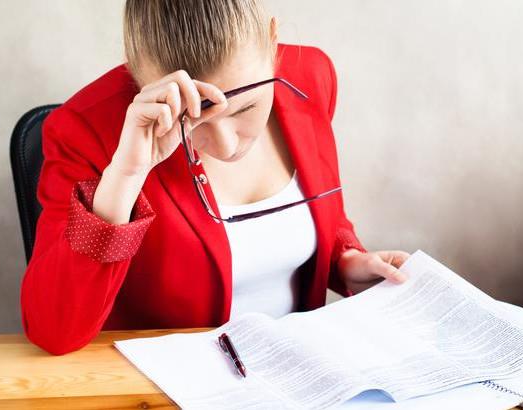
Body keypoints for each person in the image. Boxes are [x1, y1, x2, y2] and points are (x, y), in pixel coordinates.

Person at [20, 0, 410, 356]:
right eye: (192, 117)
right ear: (135, 74)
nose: (225, 145)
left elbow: (315, 216)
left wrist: (346, 259)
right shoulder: (84, 131)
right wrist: (126, 174)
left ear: (273, 40)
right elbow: (54, 332)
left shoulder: (311, 77)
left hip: (298, 375)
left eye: (248, 106)